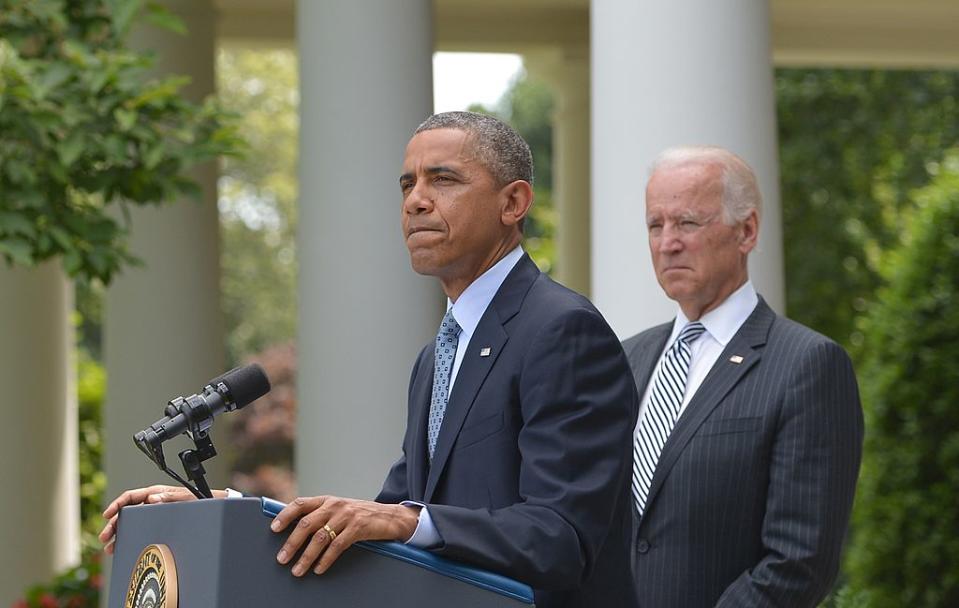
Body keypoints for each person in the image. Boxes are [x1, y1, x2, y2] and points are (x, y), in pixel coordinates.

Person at [101, 111, 638, 607]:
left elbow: (560, 538)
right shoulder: (439, 354)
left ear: (513, 202)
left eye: (443, 180)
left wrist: (403, 522)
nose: (416, 201)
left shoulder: (562, 329)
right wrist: (225, 509)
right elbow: (384, 522)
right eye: (408, 185)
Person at [621, 145, 864, 607]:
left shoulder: (806, 364)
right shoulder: (626, 359)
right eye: (656, 225)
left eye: (688, 223)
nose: (667, 242)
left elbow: (799, 561)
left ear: (747, 231)